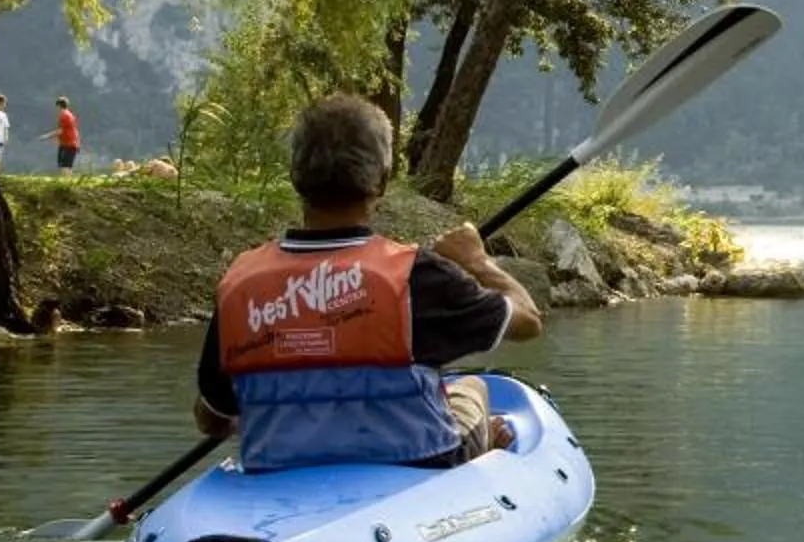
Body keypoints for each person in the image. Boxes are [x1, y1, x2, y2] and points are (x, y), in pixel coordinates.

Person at [193, 93, 543, 471]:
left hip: (278, 471)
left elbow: (212, 417)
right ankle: (486, 441)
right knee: (471, 388)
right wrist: (478, 261)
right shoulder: (415, 275)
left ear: (296, 177)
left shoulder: (241, 283)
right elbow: (528, 322)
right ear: (382, 181)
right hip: (417, 467)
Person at [43, 96, 80, 172]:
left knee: (64, 167)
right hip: (70, 143)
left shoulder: (64, 116)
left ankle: (67, 182)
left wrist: (46, 136)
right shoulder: (70, 115)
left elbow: (60, 131)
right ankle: (68, 182)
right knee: (67, 166)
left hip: (67, 145)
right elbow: (74, 130)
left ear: (59, 106)